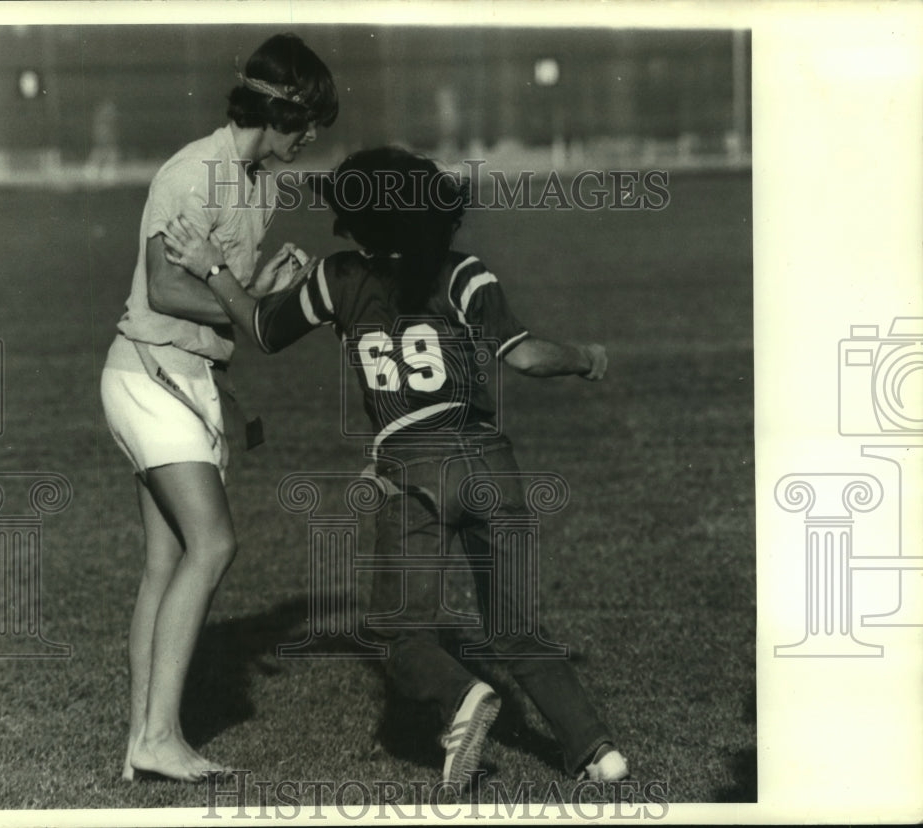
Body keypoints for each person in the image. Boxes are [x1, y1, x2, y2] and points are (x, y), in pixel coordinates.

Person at [161, 147, 629, 788]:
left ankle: (461, 696)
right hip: (491, 461)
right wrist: (587, 357)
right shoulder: (465, 273)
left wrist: (213, 268)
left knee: (400, 633)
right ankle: (599, 753)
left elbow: (264, 330)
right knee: (517, 629)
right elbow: (526, 358)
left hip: (413, 468)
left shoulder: (339, 277)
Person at [99, 33, 338, 783]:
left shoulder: (263, 186)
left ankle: (143, 738)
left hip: (189, 379)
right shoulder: (191, 173)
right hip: (149, 373)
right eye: (306, 125)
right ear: (279, 111)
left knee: (165, 563)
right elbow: (169, 290)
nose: (310, 140)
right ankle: (159, 736)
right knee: (215, 544)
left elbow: (229, 301)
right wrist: (244, 303)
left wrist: (261, 287)